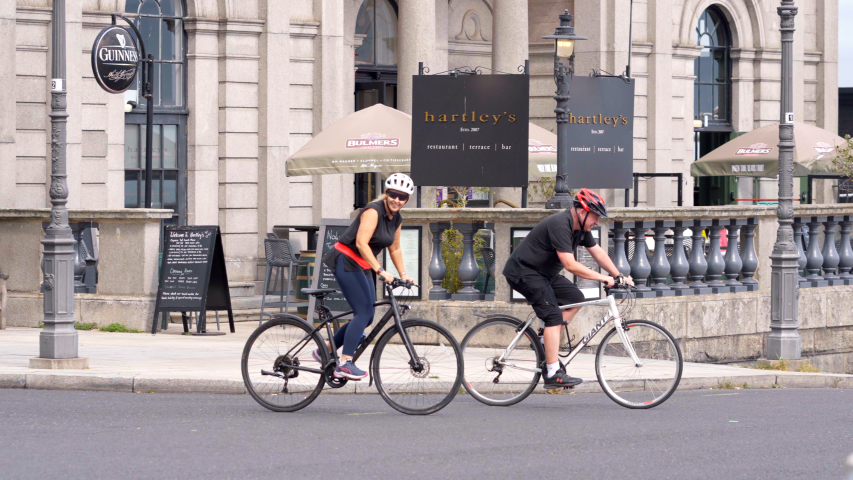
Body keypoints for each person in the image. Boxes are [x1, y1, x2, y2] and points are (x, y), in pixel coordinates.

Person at [502, 188, 634, 389]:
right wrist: (603, 278)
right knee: (553, 317)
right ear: (582, 212)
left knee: (576, 297)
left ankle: (544, 341)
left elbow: (597, 251)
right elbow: (570, 265)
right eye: (595, 217)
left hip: (545, 274)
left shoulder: (581, 228)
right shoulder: (560, 224)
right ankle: (553, 372)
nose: (597, 222)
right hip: (524, 272)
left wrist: (617, 275)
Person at [315, 173, 416, 380]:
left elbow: (394, 248)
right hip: (346, 259)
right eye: (393, 194)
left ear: (407, 199)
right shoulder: (373, 210)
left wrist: (404, 275)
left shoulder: (397, 218)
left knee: (368, 316)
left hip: (362, 264)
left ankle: (324, 349)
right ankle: (344, 363)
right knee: (362, 313)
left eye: (402, 197)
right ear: (386, 193)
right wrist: (380, 270)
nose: (397, 200)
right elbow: (361, 243)